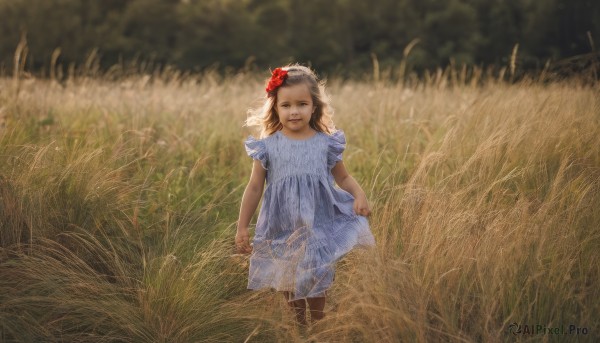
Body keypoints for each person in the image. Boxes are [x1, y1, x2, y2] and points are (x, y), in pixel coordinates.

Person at [236, 65, 375, 325]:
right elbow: (254, 187)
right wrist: (242, 226)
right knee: (288, 275)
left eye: (302, 104)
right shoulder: (267, 147)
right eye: (286, 105)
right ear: (275, 107)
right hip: (283, 225)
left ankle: (319, 323)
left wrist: (359, 194)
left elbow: (342, 177)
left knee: (317, 272)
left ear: (314, 107)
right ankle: (298, 324)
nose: (294, 111)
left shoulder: (325, 143)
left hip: (317, 222)